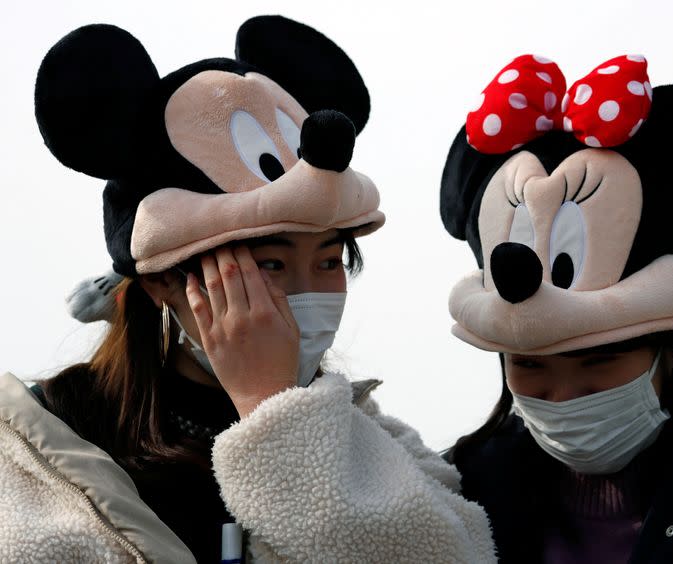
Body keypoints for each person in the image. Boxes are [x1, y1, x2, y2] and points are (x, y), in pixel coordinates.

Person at [0, 16, 495, 563]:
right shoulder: (47, 441)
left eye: (329, 260)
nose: (308, 293)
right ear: (165, 277)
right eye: (272, 265)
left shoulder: (377, 441)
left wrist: (272, 413)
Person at [439, 53, 673, 563]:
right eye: (530, 364)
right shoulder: (461, 491)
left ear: (670, 348)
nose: (565, 396)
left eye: (599, 360)